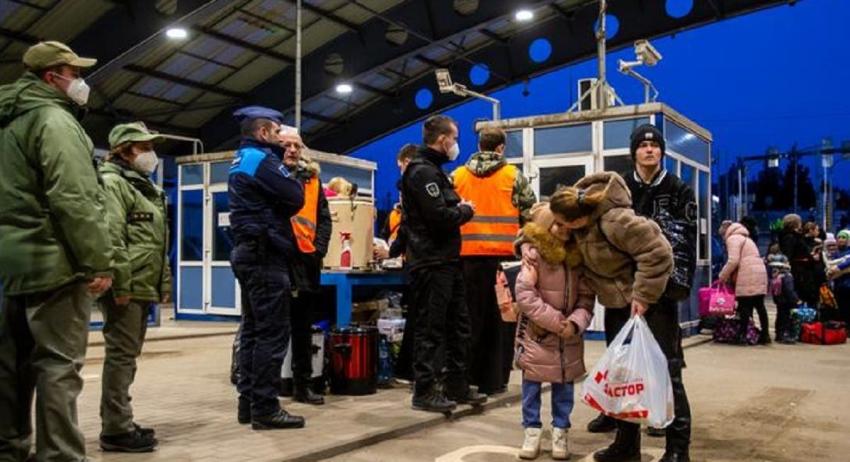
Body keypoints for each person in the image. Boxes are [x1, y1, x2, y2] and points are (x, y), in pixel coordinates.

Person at [0, 41, 113, 461]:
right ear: (53, 77)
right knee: (58, 367)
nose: (80, 81)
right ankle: (60, 455)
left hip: (13, 262)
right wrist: (98, 261)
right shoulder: (54, 121)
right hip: (55, 261)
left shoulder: (8, 121)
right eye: (74, 73)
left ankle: (9, 448)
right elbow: (75, 198)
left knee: (12, 368)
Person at [549, 172, 686, 462]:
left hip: (654, 305)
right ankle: (626, 445)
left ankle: (677, 449)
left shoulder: (616, 221)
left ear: (577, 219)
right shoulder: (580, 227)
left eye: (562, 224)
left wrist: (643, 295)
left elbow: (659, 252)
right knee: (622, 376)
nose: (557, 229)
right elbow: (537, 223)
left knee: (666, 374)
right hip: (618, 307)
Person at [401, 114, 487, 412]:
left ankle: (457, 385)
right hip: (431, 262)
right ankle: (424, 391)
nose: (456, 144)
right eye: (455, 138)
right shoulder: (421, 172)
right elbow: (438, 218)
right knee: (430, 328)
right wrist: (464, 211)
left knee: (459, 325)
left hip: (448, 261)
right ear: (443, 140)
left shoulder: (435, 171)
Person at [616, 123, 696, 438]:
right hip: (624, 289)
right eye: (642, 145)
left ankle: (675, 438)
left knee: (667, 362)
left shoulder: (678, 188)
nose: (649, 150)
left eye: (655, 145)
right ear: (633, 152)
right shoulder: (620, 187)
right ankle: (624, 438)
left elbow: (683, 240)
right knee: (623, 364)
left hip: (662, 289)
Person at [229, 106, 305, 430]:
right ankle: (265, 408)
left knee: (252, 332)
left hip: (248, 253)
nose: (280, 140)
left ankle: (248, 404)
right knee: (272, 335)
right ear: (263, 133)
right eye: (276, 133)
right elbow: (294, 195)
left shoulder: (240, 160)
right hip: (264, 256)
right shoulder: (261, 160)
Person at [97, 122, 171, 452]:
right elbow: (112, 238)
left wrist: (163, 282)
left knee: (128, 356)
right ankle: (115, 429)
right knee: (121, 357)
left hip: (143, 282)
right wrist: (121, 285)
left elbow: (156, 241)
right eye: (143, 148)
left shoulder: (143, 187)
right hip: (128, 285)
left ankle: (120, 419)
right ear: (125, 151)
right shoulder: (113, 184)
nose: (150, 154)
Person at [451, 127, 536, 395]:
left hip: (464, 259)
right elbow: (530, 214)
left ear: (479, 144)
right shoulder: (513, 176)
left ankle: (465, 378)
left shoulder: (457, 176)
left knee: (466, 321)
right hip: (503, 263)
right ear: (500, 148)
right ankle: (493, 379)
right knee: (499, 322)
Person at [513, 203, 594, 460]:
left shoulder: (578, 258)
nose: (563, 230)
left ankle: (561, 430)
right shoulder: (534, 256)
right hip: (537, 334)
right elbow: (525, 294)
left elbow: (586, 298)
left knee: (564, 386)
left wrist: (574, 323)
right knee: (532, 385)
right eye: (557, 224)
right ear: (547, 225)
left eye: (567, 225)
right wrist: (556, 322)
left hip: (567, 338)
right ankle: (532, 431)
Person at [280, 128, 332, 405]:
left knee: (302, 328)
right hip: (279, 260)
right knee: (273, 328)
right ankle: (270, 387)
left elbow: (324, 219)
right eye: (286, 145)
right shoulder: (272, 175)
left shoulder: (313, 180)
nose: (291, 150)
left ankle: (303, 385)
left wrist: (318, 249)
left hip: (307, 262)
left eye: (296, 146)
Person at [719, 223, 770, 345]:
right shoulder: (747, 238)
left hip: (747, 273)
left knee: (744, 306)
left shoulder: (733, 239)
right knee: (759, 305)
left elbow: (733, 260)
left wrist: (722, 275)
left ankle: (742, 336)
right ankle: (765, 335)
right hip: (759, 272)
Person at [779, 214, 819, 307]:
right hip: (799, 272)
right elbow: (790, 254)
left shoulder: (793, 236)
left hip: (802, 270)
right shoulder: (790, 237)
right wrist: (810, 258)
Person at [766, 250, 800, 344]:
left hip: (779, 300)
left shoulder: (775, 276)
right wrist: (796, 299)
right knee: (785, 318)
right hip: (787, 301)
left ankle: (779, 334)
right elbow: (789, 290)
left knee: (780, 316)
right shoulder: (787, 276)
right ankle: (784, 335)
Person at [827, 229, 850, 326]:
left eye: (844, 237)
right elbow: (830, 266)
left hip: (848, 284)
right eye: (839, 237)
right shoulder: (835, 253)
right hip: (838, 284)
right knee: (840, 307)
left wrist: (838, 267)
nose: (840, 239)